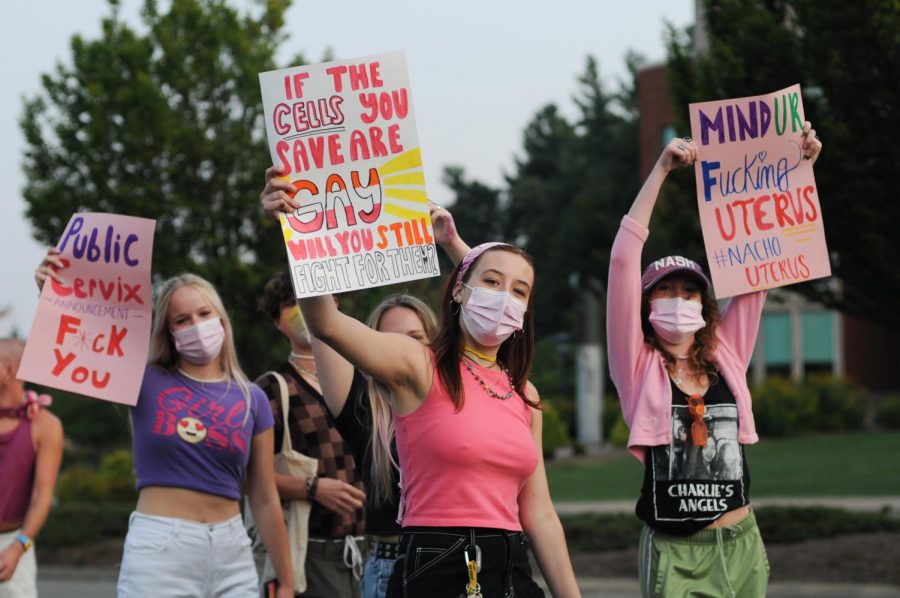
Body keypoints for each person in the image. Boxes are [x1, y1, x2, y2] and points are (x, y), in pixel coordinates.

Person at [260, 163, 581, 596]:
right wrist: (298, 227)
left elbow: (539, 511)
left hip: (511, 570)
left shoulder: (525, 394)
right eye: (491, 282)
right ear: (458, 291)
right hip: (438, 565)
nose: (503, 296)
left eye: (519, 291)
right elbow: (326, 323)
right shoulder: (418, 364)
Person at [606, 123, 822, 597]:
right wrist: (662, 169)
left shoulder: (726, 354)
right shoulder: (635, 365)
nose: (678, 298)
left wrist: (797, 165)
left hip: (742, 542)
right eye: (665, 290)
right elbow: (624, 260)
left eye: (688, 291)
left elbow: (760, 260)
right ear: (644, 304)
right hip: (675, 553)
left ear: (704, 304)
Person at [35, 260, 294, 598]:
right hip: (161, 549)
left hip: (233, 552)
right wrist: (52, 292)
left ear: (222, 320)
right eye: (182, 319)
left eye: (204, 313)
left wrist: (286, 580)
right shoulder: (143, 380)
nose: (196, 325)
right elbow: (80, 348)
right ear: (169, 332)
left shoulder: (253, 399)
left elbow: (263, 495)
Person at [305, 204, 469, 598]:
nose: (400, 349)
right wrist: (301, 227)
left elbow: (491, 307)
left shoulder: (463, 395)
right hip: (392, 568)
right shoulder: (361, 405)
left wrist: (453, 245)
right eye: (385, 341)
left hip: (464, 567)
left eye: (414, 338)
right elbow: (322, 321)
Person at [255, 269, 367, 598]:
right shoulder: (270, 389)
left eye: (312, 296)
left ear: (334, 302)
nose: (303, 307)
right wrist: (311, 488)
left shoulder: (367, 375)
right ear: (277, 322)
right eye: (291, 302)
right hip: (308, 552)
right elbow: (249, 477)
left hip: (371, 548)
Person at [0, 339, 63, 598]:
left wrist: (20, 545)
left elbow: (42, 495)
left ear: (9, 371)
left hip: (12, 542)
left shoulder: (45, 425)